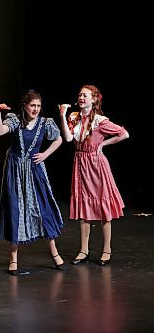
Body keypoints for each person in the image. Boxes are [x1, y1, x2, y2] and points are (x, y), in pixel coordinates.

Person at [0, 90, 65, 275]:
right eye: (32, 105)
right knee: (15, 209)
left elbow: (58, 139)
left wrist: (45, 154)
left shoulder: (45, 123)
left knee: (43, 210)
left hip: (34, 170)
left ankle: (55, 253)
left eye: (38, 106)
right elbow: (0, 131)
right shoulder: (15, 120)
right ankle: (13, 258)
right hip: (15, 169)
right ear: (25, 106)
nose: (35, 109)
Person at [59, 85, 129, 266]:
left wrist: (103, 144)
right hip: (80, 163)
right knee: (84, 207)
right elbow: (67, 139)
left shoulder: (99, 120)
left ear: (94, 99)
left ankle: (107, 249)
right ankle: (84, 250)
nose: (81, 97)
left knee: (103, 207)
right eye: (80, 94)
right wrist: (62, 115)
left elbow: (124, 134)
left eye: (85, 95)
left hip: (96, 165)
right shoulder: (74, 117)